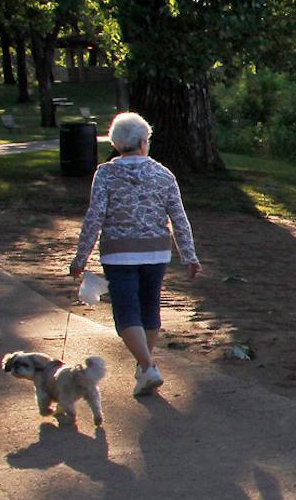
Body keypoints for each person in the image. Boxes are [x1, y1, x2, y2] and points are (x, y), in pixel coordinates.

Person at [69, 112, 200, 397]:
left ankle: (148, 366)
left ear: (117, 143)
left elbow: (95, 217)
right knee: (149, 308)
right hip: (156, 252)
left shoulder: (105, 173)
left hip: (119, 253)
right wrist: (188, 255)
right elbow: (178, 218)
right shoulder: (163, 174)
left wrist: (81, 258)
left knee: (127, 312)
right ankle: (144, 370)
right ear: (143, 141)